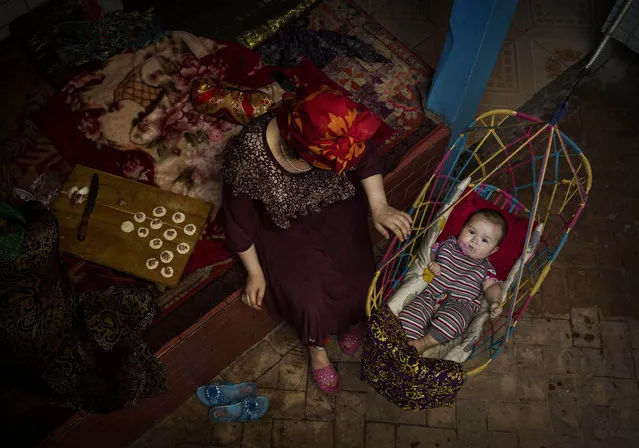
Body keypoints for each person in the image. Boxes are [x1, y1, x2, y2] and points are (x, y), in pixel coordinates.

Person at [222, 85, 411, 394]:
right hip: (284, 225)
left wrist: (379, 205)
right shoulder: (249, 154)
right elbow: (237, 219)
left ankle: (353, 322)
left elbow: (366, 157)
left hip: (337, 205)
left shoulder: (337, 120)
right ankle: (317, 349)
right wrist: (254, 272)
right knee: (308, 300)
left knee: (360, 278)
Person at [398, 209, 505, 354]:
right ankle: (407, 343)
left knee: (453, 322)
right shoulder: (447, 245)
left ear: (493, 250)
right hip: (429, 294)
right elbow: (428, 252)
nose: (474, 240)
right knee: (409, 316)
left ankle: (424, 343)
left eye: (485, 240)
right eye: (471, 232)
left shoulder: (485, 268)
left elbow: (492, 286)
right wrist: (433, 262)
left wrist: (495, 301)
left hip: (459, 303)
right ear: (462, 229)